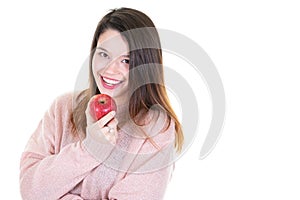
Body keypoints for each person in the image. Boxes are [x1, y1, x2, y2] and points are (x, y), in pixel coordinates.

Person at [20, 7, 184, 200]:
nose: (109, 69)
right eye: (104, 54)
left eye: (126, 60)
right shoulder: (62, 108)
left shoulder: (156, 129)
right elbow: (29, 188)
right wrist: (91, 149)